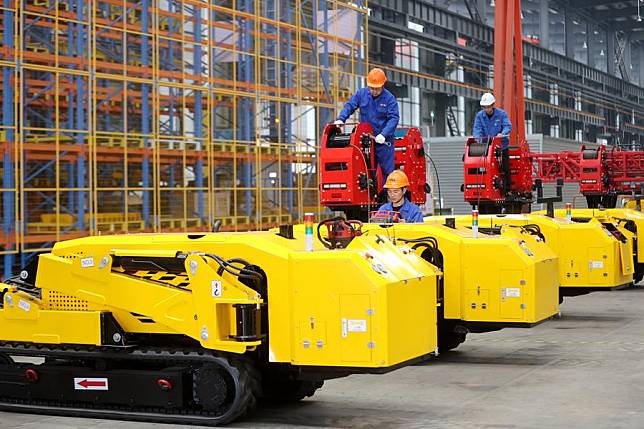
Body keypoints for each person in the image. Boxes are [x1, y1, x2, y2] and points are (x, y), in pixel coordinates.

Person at [334, 68, 400, 186]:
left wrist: (384, 134)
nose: (374, 91)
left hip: (383, 141)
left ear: (383, 85)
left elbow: (393, 118)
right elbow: (350, 105)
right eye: (372, 88)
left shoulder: (390, 99)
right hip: (366, 140)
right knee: (365, 169)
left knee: (387, 171)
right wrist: (341, 118)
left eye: (377, 88)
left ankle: (387, 198)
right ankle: (370, 196)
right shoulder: (361, 94)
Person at [473, 92, 512, 192]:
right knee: (485, 168)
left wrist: (502, 134)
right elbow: (477, 129)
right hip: (487, 147)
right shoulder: (480, 116)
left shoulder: (501, 114)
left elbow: (507, 126)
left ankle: (507, 189)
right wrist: (478, 140)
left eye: (488, 107)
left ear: (492, 105)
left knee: (504, 168)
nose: (486, 109)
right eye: (484, 107)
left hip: (501, 146)